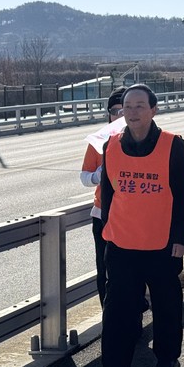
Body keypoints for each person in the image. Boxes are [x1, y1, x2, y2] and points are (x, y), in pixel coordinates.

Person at [87, 84, 184, 367]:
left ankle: (167, 360)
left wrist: (182, 238)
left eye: (139, 106)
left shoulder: (173, 145)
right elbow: (108, 193)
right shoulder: (111, 145)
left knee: (166, 306)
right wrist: (108, 230)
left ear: (153, 110)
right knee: (117, 309)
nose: (132, 112)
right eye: (127, 107)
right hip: (121, 243)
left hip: (162, 244)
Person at [79, 87, 126, 308]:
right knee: (104, 268)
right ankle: (108, 313)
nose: (120, 116)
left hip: (133, 217)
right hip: (102, 214)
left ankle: (133, 313)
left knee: (131, 269)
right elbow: (85, 177)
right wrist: (100, 173)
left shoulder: (145, 137)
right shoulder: (98, 141)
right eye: (115, 111)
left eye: (124, 110)